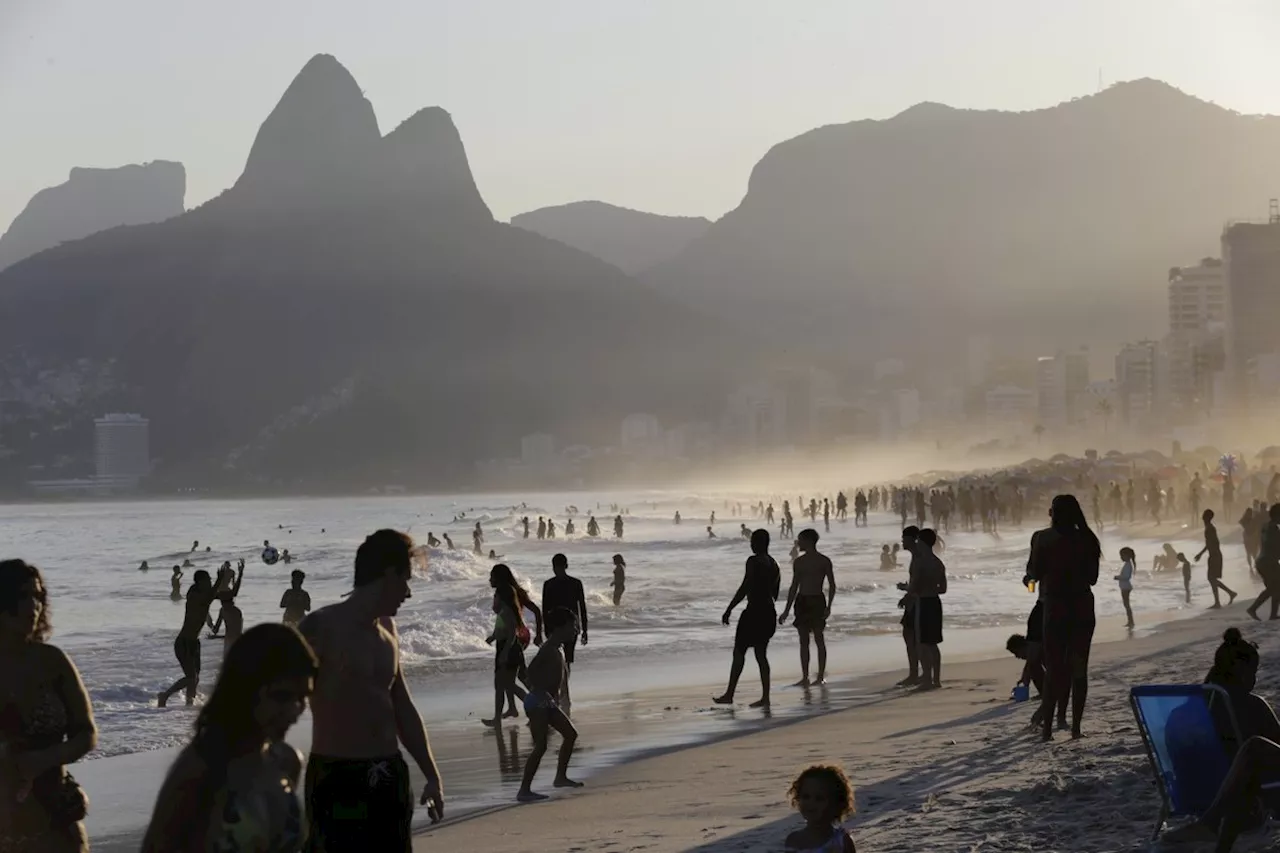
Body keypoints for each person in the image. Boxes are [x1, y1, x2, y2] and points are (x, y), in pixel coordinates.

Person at [298, 530, 443, 852]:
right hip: (338, 775)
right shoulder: (320, 628)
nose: (408, 593)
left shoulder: (388, 631)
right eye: (406, 580)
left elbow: (402, 706)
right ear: (388, 574)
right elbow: (273, 696)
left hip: (389, 772)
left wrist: (431, 775)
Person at [141, 623, 315, 852]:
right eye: (281, 696)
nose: (294, 710)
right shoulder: (201, 767)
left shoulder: (286, 762)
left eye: (303, 697)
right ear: (245, 690)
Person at [0, 560, 97, 853]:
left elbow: (87, 734)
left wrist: (44, 759)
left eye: (38, 597)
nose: (33, 607)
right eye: (22, 597)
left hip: (56, 817)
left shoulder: (52, 662)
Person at [1161, 628, 1280, 850]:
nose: (1254, 679)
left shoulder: (1184, 712)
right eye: (1254, 672)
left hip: (1194, 795)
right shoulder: (1252, 706)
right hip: (1243, 799)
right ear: (1241, 671)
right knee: (1254, 746)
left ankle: (1211, 823)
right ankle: (1211, 823)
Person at [1026, 494, 1100, 741]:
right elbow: (1092, 578)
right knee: (1079, 669)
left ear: (1053, 513)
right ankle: (1076, 728)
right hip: (1082, 604)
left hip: (1055, 606)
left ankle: (1047, 730)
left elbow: (1034, 574)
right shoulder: (1088, 539)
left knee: (1054, 669)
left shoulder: (1043, 539)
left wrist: (1030, 584)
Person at [515, 609, 584, 802]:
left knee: (570, 735)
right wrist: (537, 689)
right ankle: (524, 790)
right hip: (538, 701)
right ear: (560, 628)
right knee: (541, 746)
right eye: (573, 626)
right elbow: (529, 672)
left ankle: (560, 777)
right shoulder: (548, 648)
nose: (576, 630)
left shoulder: (558, 648)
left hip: (547, 701)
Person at [713, 529, 781, 708]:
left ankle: (729, 694)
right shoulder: (775, 564)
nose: (751, 545)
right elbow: (775, 594)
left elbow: (745, 587)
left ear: (760, 543)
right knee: (761, 655)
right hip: (768, 613)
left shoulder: (753, 561)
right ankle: (765, 697)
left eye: (753, 542)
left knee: (739, 653)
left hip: (754, 612)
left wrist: (729, 609)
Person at [778, 529, 837, 686]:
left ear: (809, 541)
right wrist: (786, 610)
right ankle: (805, 677)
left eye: (800, 540)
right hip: (802, 601)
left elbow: (832, 585)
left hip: (817, 600)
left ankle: (820, 676)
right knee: (804, 641)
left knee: (818, 638)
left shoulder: (823, 561)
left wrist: (829, 606)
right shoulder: (799, 562)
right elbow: (794, 587)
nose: (798, 543)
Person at [158, 569, 219, 707]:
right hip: (184, 642)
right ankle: (165, 695)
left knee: (195, 678)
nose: (210, 583)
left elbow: (227, 595)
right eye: (208, 580)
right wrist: (220, 580)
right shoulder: (194, 595)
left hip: (194, 643)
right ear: (201, 582)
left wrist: (239, 575)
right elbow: (209, 597)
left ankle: (189, 702)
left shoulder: (204, 596)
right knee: (191, 677)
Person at [486, 579, 531, 727]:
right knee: (500, 685)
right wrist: (492, 637)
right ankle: (497, 718)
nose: (494, 599)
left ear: (502, 598)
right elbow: (501, 629)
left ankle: (533, 706)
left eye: (496, 596)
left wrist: (505, 653)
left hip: (510, 650)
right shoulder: (503, 612)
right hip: (504, 648)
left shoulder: (507, 613)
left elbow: (512, 633)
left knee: (508, 684)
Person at [542, 555, 588, 698]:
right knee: (564, 660)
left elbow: (545, 609)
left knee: (561, 660)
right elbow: (582, 608)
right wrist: (585, 629)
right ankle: (563, 690)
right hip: (568, 627)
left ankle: (563, 690)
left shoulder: (549, 584)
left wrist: (546, 629)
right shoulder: (575, 583)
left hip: (560, 628)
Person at [907, 529, 947, 690]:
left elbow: (914, 586)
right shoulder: (938, 563)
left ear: (922, 543)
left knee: (923, 643)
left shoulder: (920, 562)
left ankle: (927, 680)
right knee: (933, 643)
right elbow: (943, 589)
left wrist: (906, 589)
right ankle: (936, 679)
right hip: (935, 602)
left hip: (923, 602)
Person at [785, 764, 857, 852]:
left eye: (819, 799)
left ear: (835, 803)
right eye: (805, 797)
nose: (810, 803)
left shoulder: (842, 841)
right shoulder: (794, 841)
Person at [1197, 509, 1238, 610]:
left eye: (1204, 515)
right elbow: (1210, 543)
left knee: (1211, 578)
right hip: (1214, 555)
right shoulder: (1208, 527)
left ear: (1207, 517)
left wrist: (1202, 554)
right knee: (1212, 579)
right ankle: (1229, 594)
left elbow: (1213, 542)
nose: (1202, 517)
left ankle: (1219, 602)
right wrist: (1202, 554)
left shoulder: (1210, 528)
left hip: (1215, 555)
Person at [895, 528, 921, 687]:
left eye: (904, 539)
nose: (902, 542)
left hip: (915, 602)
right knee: (912, 638)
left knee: (911, 637)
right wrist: (907, 588)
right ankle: (916, 673)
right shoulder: (916, 557)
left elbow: (918, 584)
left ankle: (914, 674)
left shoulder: (917, 558)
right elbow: (916, 582)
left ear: (913, 539)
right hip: (914, 600)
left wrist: (907, 594)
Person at [1249, 503, 1280, 621]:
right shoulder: (1274, 529)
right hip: (1269, 562)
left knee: (1274, 588)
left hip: (1261, 561)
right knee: (1274, 588)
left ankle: (1272, 614)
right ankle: (1254, 609)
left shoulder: (1265, 526)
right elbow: (1276, 547)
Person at [1115, 547, 1135, 628]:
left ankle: (1130, 621)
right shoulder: (1127, 564)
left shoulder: (1128, 565)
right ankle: (1130, 621)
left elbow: (1127, 577)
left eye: (1122, 556)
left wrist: (1118, 577)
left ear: (1127, 555)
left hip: (1126, 587)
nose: (1121, 558)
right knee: (1126, 604)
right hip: (1125, 587)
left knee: (1127, 605)